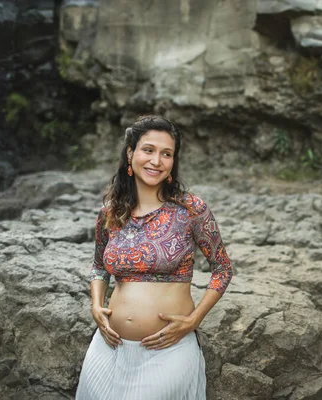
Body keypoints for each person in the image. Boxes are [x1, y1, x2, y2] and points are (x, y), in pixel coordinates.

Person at [76, 115, 233, 400]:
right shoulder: (111, 213)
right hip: (109, 348)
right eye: (148, 150)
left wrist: (194, 320)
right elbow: (99, 267)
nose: (156, 161)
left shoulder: (190, 209)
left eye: (167, 154)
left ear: (174, 162)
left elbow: (222, 270)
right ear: (130, 154)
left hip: (167, 351)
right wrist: (97, 306)